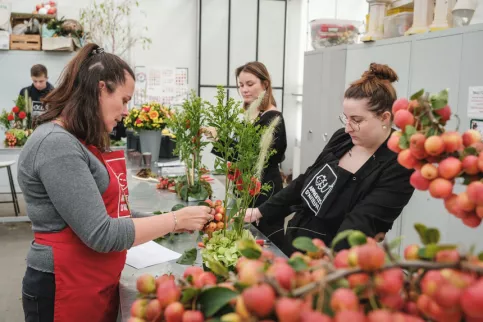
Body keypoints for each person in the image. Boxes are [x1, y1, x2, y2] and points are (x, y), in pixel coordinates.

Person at [18, 43, 214, 322]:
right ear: (100, 89)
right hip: (62, 288)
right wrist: (174, 220)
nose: (126, 111)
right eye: (123, 100)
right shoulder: (56, 145)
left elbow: (110, 214)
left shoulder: (77, 142)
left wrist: (174, 220)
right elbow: (102, 233)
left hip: (89, 282)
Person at [244, 63, 415, 255]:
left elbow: (361, 223)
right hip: (296, 241)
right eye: (346, 118)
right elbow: (306, 180)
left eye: (357, 120)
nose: (348, 128)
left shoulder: (399, 163)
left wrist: (328, 264)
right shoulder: (342, 138)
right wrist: (260, 211)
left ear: (384, 117)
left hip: (331, 262)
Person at [206, 62, 287, 249]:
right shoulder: (254, 114)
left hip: (265, 192)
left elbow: (252, 158)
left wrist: (220, 140)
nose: (244, 89)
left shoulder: (273, 119)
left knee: (265, 245)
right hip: (249, 187)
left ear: (265, 84)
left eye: (250, 84)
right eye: (241, 85)